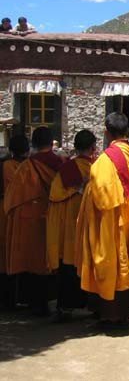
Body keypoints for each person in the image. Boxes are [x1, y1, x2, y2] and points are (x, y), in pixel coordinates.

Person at [76, 113, 129, 328]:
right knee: (127, 263)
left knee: (112, 265)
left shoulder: (105, 160)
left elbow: (101, 197)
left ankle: (111, 315)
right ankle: (125, 312)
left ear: (107, 132)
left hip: (113, 221)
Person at [5, 127, 65, 315]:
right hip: (53, 214)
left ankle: (34, 303)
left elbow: (13, 196)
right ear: (50, 142)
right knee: (49, 258)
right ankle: (51, 301)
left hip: (29, 216)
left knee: (33, 259)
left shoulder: (28, 165)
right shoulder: (61, 162)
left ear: (34, 143)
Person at [46, 130, 96, 321]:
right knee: (83, 263)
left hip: (67, 225)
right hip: (85, 224)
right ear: (93, 148)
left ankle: (65, 307)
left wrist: (76, 189)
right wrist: (80, 188)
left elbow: (54, 195)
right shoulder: (95, 168)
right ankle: (91, 305)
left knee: (68, 266)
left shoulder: (67, 168)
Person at [0, 135, 29, 309]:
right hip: (19, 213)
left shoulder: (6, 165)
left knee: (4, 256)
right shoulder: (28, 166)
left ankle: (7, 300)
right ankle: (18, 298)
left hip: (5, 211)